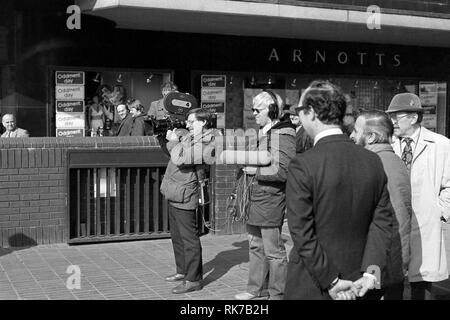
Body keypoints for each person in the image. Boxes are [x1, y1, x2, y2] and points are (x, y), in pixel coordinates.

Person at [284, 80, 395, 300]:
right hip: (362, 284)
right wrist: (371, 275)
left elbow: (301, 233)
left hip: (314, 285)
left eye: (299, 110)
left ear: (311, 112)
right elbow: (382, 222)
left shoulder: (303, 164)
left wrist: (331, 280)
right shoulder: (372, 160)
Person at [386, 92, 450, 300]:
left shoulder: (441, 145)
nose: (392, 121)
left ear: (413, 117)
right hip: (394, 222)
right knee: (392, 280)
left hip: (425, 223)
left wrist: (440, 210)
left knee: (422, 284)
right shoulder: (388, 145)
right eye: (391, 117)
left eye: (398, 116)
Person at [234, 90, 296, 300]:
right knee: (255, 245)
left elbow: (284, 170)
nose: (253, 114)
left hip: (269, 199)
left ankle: (278, 294)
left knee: (274, 251)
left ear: (272, 109)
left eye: (257, 110)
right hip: (256, 197)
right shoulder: (266, 132)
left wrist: (255, 170)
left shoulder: (283, 134)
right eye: (252, 109)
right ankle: (256, 289)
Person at [350, 109, 412, 300]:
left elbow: (384, 225)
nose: (351, 136)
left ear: (371, 137)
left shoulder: (375, 165)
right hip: (390, 268)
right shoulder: (393, 161)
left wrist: (373, 275)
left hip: (379, 270)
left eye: (356, 131)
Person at [160, 108, 220, 294]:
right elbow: (173, 153)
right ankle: (182, 271)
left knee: (189, 239)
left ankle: (193, 279)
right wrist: (163, 137)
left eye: (191, 121)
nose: (187, 124)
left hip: (186, 193)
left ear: (203, 122)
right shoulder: (191, 136)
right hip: (175, 190)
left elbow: (183, 159)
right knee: (177, 236)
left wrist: (173, 142)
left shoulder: (209, 140)